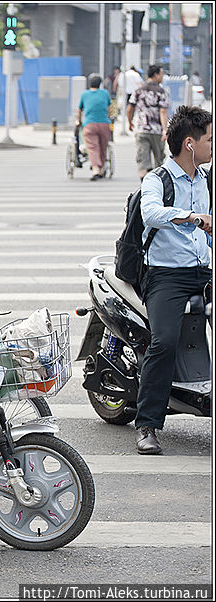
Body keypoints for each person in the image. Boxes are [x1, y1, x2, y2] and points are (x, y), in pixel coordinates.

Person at [134, 105, 212, 455]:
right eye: (210, 138)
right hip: (167, 275)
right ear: (190, 143)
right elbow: (150, 212)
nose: (214, 144)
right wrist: (190, 216)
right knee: (163, 341)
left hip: (204, 271)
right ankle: (147, 424)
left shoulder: (208, 178)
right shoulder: (157, 180)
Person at [127, 65, 170, 180]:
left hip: (141, 129)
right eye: (161, 74)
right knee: (159, 162)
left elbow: (130, 108)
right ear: (156, 75)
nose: (162, 77)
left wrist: (130, 122)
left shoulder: (138, 90)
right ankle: (158, 185)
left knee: (143, 161)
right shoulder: (161, 92)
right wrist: (165, 129)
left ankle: (144, 186)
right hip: (157, 131)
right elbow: (163, 111)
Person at [77, 75, 113, 181]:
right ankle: (101, 168)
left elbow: (80, 110)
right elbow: (109, 108)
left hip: (89, 124)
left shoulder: (85, 94)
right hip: (104, 124)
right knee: (103, 147)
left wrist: (79, 121)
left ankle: (96, 169)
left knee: (92, 147)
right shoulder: (105, 93)